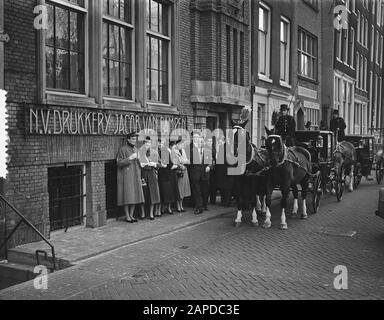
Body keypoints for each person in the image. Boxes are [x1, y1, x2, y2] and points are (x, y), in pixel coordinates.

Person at [116, 132, 145, 223]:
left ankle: (132, 215)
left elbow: (140, 163)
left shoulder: (136, 149)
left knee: (135, 195)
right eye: (132, 139)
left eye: (135, 139)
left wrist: (141, 160)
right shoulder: (123, 149)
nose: (134, 141)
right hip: (127, 176)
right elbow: (119, 163)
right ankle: (127, 215)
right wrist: (129, 158)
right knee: (127, 196)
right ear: (128, 139)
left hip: (135, 175)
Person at [188, 131, 210, 215]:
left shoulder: (207, 150)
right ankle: (199, 207)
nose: (200, 142)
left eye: (201, 141)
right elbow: (189, 162)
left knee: (204, 190)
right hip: (195, 174)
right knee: (197, 191)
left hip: (204, 174)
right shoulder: (191, 150)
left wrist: (209, 166)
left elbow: (211, 162)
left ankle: (204, 205)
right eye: (198, 140)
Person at [139, 137, 161, 221]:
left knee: (153, 193)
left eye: (149, 143)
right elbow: (137, 164)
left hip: (152, 174)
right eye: (146, 143)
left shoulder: (154, 152)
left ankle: (151, 213)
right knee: (143, 193)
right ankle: (142, 213)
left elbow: (159, 164)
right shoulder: (140, 152)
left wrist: (155, 164)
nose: (148, 145)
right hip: (143, 174)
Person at [158, 139, 180, 215]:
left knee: (169, 192)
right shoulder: (158, 152)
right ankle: (162, 208)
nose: (160, 145)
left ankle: (169, 207)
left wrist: (168, 166)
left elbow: (170, 163)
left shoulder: (166, 152)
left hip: (168, 174)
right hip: (161, 174)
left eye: (162, 144)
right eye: (159, 144)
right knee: (162, 193)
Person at [171, 137, 192, 213]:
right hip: (178, 172)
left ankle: (181, 204)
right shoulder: (174, 150)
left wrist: (184, 162)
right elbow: (175, 161)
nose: (182, 145)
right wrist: (182, 163)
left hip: (184, 170)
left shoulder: (182, 150)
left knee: (183, 188)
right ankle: (178, 205)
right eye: (181, 143)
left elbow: (186, 160)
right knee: (179, 188)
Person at [214, 134, 235, 207]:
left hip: (226, 171)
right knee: (223, 187)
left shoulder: (227, 148)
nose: (218, 142)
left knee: (227, 188)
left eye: (219, 141)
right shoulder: (222, 147)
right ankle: (224, 201)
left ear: (223, 140)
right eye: (218, 141)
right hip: (222, 171)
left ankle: (227, 202)